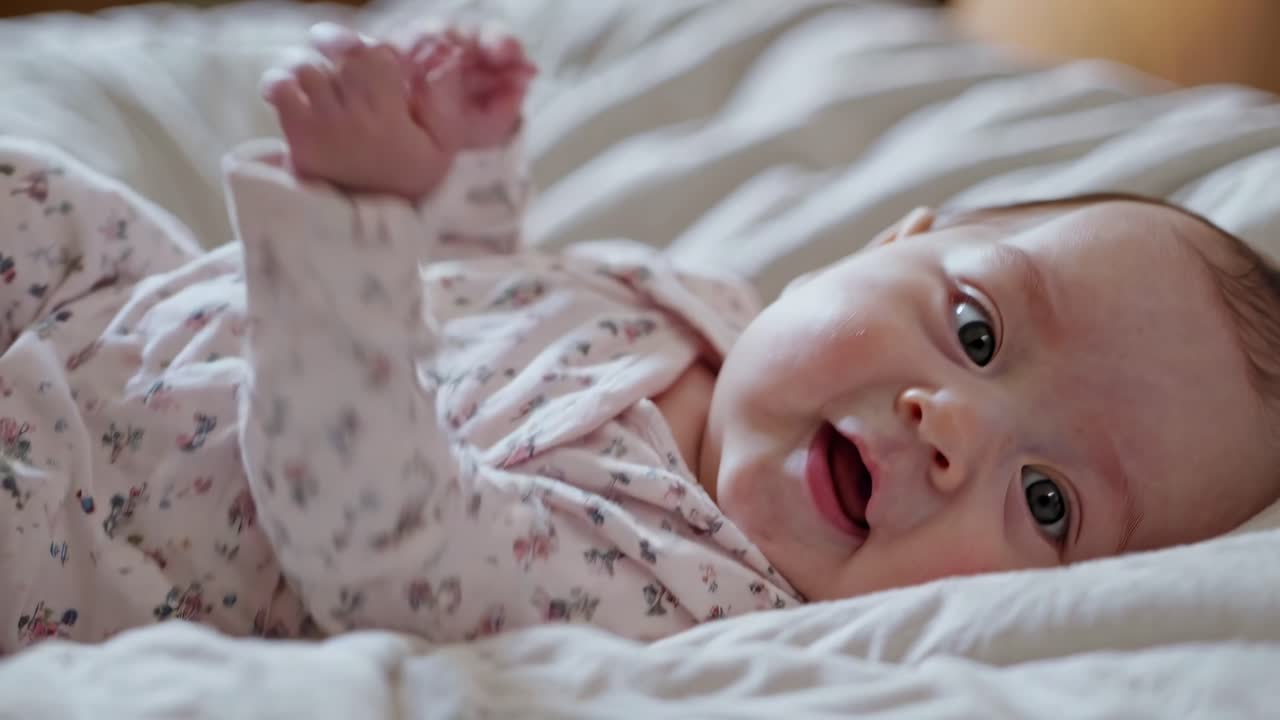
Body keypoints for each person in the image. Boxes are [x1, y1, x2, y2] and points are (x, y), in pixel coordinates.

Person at [1, 21, 1277, 652]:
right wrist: (462, 168)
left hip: (88, 515)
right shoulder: (706, 314)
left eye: (1047, 503)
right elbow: (482, 299)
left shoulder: (682, 590)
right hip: (127, 300)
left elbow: (377, 538)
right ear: (891, 243)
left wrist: (356, 223)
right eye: (975, 329)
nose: (954, 432)